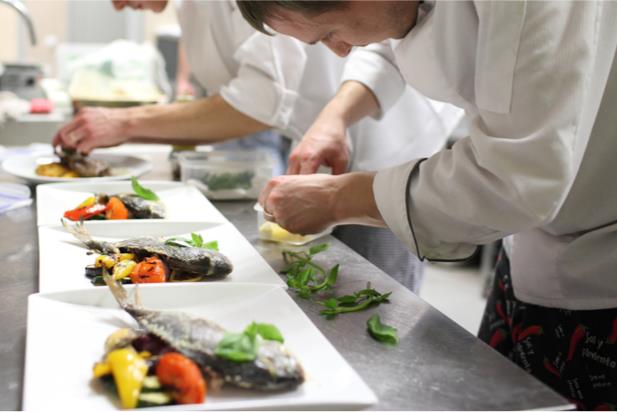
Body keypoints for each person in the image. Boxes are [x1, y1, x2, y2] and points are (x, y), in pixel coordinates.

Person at [239, 1, 617, 408]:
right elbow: (391, 36)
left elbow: (513, 181)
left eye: (329, 32)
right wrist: (336, 116)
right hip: (535, 240)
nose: (341, 50)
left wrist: (337, 199)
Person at [52, 0, 462, 294]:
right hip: (322, 137)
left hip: (389, 145)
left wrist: (125, 122)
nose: (117, 6)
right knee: (319, 289)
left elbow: (262, 100)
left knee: (374, 298)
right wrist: (330, 122)